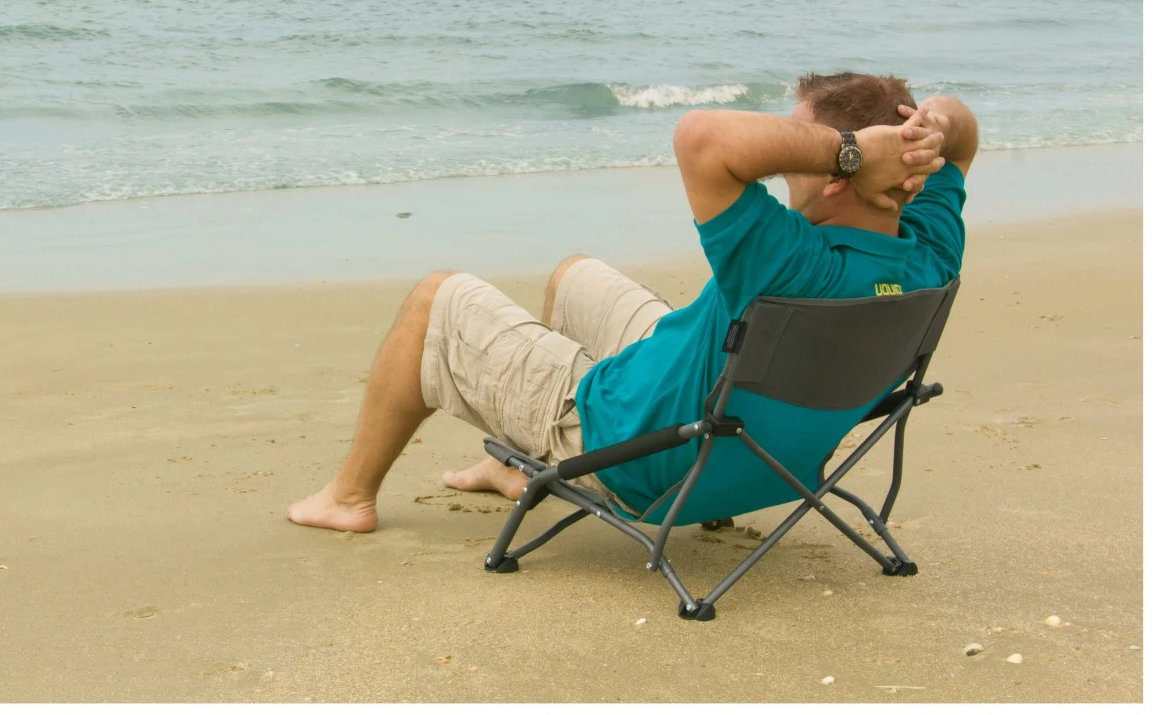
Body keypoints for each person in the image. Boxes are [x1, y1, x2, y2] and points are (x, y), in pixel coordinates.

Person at [286, 73, 977, 534]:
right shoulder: (929, 252)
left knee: (436, 299)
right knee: (575, 276)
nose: (795, 154)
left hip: (638, 458)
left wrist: (849, 151)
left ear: (839, 177)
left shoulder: (787, 259)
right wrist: (919, 134)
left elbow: (701, 137)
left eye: (810, 145)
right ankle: (513, 464)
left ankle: (348, 498)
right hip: (757, 460)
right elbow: (963, 126)